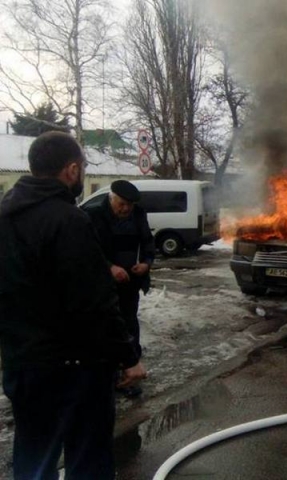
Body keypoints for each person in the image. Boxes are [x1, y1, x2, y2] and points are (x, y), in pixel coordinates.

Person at [0, 131, 146, 479]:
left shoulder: (4, 214)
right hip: (76, 369)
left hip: (23, 364)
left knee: (34, 458)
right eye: (82, 167)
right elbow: (94, 302)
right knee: (87, 460)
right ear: (71, 170)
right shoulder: (69, 219)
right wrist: (127, 357)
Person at [83, 180, 155, 398]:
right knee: (105, 327)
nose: (126, 209)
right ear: (111, 198)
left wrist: (146, 263)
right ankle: (108, 373)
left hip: (130, 282)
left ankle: (128, 373)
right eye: (121, 204)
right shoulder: (93, 215)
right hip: (102, 285)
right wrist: (110, 267)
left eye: (129, 205)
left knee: (129, 325)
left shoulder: (138, 214)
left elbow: (148, 242)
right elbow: (88, 249)